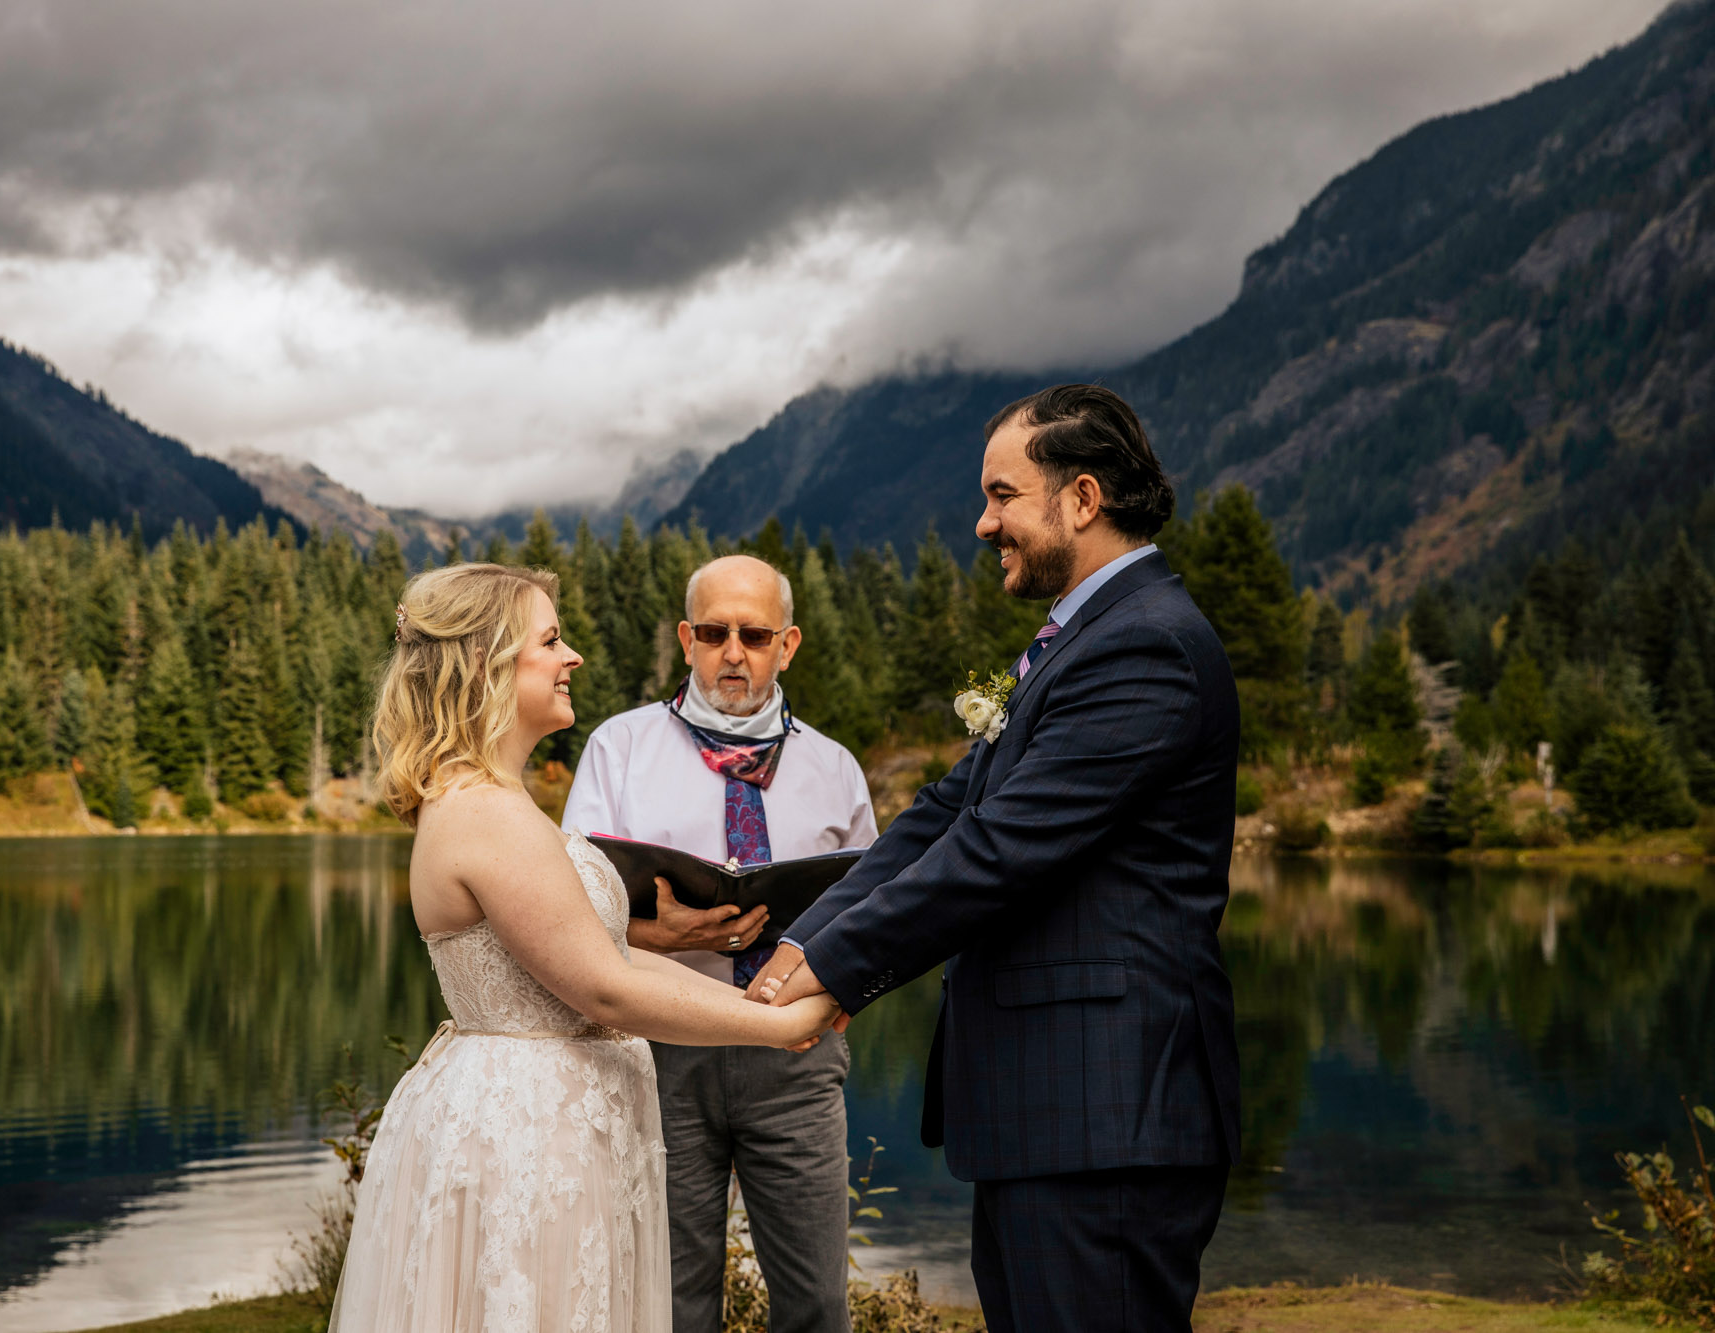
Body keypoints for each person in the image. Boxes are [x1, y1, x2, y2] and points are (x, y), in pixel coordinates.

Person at [754, 385, 1243, 1333]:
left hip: (1108, 1115)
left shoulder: (1147, 646)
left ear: (1083, 497)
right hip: (1054, 1115)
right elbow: (944, 813)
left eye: (1002, 495)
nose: (984, 524)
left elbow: (1000, 851)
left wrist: (834, 976)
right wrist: (802, 941)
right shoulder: (1084, 637)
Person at [331, 562, 840, 1333]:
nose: (572, 658)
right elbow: (604, 986)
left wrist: (757, 997)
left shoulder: (499, 801)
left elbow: (610, 958)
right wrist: (779, 1024)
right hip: (526, 1143)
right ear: (489, 662)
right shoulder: (484, 814)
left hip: (559, 1130)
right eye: (551, 639)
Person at [562, 553, 877, 1333]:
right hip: (656, 1047)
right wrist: (656, 934)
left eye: (754, 633)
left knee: (815, 1301)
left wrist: (840, 980)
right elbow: (564, 905)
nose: (733, 651)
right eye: (713, 632)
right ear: (685, 638)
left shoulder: (835, 768)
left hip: (796, 1055)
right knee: (672, 1299)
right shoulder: (618, 748)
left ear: (789, 643)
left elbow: (875, 908)